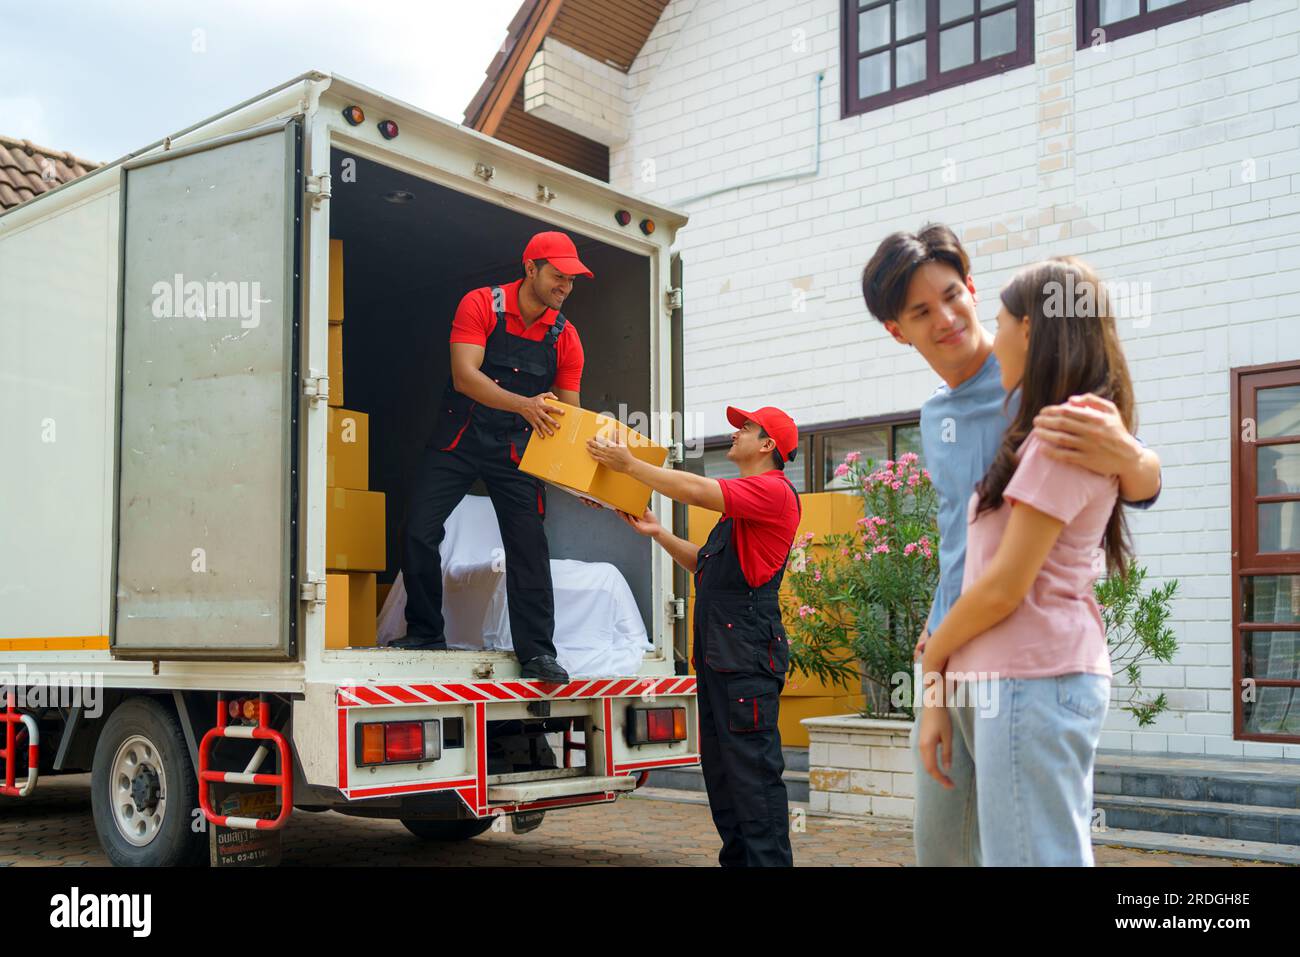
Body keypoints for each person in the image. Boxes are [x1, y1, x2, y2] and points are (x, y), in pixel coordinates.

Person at [860, 224, 1162, 865]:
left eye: (953, 295)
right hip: (953, 652)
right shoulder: (935, 415)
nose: (947, 317)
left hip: (1025, 657)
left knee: (1027, 850)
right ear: (897, 331)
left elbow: (1133, 480)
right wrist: (933, 666)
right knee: (944, 851)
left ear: (970, 289)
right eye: (920, 311)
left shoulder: (1042, 381)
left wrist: (1134, 456)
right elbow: (956, 545)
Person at [587, 406, 802, 867]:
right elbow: (706, 565)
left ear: (768, 445)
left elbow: (698, 490)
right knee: (724, 774)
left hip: (744, 651)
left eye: (745, 427)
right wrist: (658, 533)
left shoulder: (773, 491)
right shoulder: (742, 509)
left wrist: (631, 465)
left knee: (754, 777)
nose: (735, 432)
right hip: (724, 650)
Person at [393, 231, 590, 683]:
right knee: (418, 529)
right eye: (558, 276)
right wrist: (524, 403)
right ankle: (425, 631)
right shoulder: (481, 305)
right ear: (530, 269)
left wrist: (586, 482)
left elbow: (571, 417)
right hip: (459, 437)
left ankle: (538, 653)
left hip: (516, 450)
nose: (566, 286)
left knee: (529, 548)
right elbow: (465, 376)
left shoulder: (567, 336)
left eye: (572, 280)